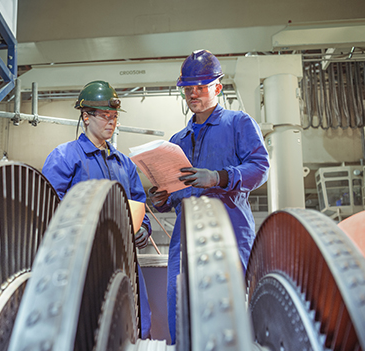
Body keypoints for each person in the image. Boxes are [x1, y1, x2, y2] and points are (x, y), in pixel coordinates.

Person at [149, 50, 270, 344]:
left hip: (230, 230)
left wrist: (218, 177)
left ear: (217, 87)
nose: (193, 94)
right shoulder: (177, 141)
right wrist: (162, 198)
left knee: (230, 311)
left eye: (200, 87)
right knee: (181, 308)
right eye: (188, 88)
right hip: (185, 235)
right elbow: (177, 193)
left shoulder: (238, 124)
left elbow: (260, 167)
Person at [42, 80, 152, 338]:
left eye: (114, 116)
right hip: (80, 263)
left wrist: (144, 230)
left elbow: (138, 204)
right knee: (85, 329)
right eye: (105, 115)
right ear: (86, 116)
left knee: (132, 323)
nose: (111, 122)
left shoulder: (124, 163)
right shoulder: (65, 157)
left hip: (123, 260)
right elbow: (47, 208)